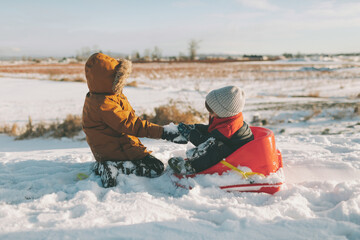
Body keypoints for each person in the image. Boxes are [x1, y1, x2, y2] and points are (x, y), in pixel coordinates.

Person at [82, 53, 180, 188]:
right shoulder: (104, 104)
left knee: (151, 163)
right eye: (116, 78)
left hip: (113, 147)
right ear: (106, 79)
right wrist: (164, 132)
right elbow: (132, 125)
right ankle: (112, 168)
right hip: (116, 150)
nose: (121, 82)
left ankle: (108, 164)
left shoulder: (105, 96)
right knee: (155, 167)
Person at [168, 86, 254, 174]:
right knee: (213, 146)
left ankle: (190, 167)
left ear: (223, 111)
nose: (210, 114)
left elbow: (206, 141)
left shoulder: (228, 129)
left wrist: (190, 134)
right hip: (229, 147)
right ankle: (195, 159)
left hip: (235, 158)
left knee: (213, 149)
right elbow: (210, 130)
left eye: (212, 112)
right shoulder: (229, 119)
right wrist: (195, 128)